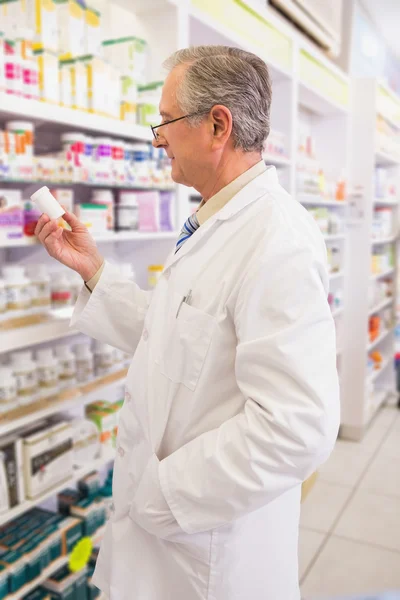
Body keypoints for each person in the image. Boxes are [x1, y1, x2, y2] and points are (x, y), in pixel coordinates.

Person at [35, 45, 340, 600]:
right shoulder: (214, 221)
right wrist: (94, 270)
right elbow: (174, 336)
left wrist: (163, 495)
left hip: (208, 560)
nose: (157, 138)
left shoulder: (278, 240)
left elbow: (298, 427)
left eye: (166, 121)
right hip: (166, 551)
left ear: (217, 125)